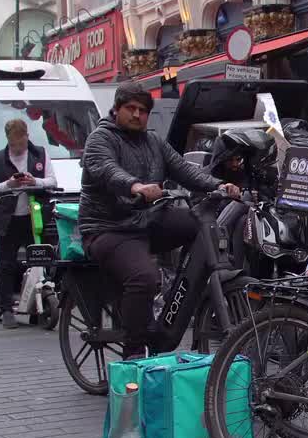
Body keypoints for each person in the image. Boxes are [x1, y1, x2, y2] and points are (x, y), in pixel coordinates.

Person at [79, 82, 241, 358]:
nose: (137, 115)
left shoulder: (153, 141)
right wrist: (136, 186)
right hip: (109, 229)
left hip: (147, 220)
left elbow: (183, 170)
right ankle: (134, 353)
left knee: (200, 226)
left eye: (143, 111)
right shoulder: (100, 139)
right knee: (144, 277)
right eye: (130, 109)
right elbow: (108, 170)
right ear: (116, 109)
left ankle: (184, 291)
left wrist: (220, 186)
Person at [0, 119, 55, 329]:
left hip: (35, 217)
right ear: (7, 140)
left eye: (20, 144)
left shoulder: (40, 154)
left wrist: (35, 182)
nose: (16, 149)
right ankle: (6, 309)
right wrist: (9, 184)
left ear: (27, 136)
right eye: (13, 145)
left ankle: (37, 307)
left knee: (39, 262)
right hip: (8, 219)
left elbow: (52, 181)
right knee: (6, 265)